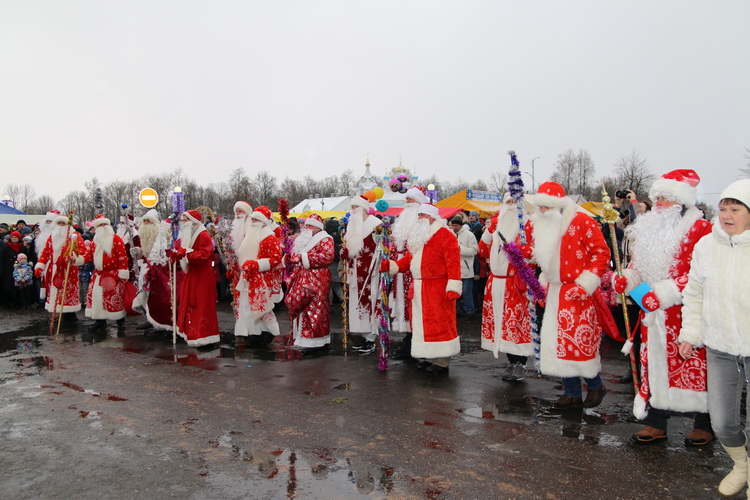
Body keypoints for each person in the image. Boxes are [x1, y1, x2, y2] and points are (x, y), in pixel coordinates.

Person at [615, 169, 714, 446]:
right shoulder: (650, 229)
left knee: (695, 366)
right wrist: (629, 280)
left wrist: (665, 293)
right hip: (653, 314)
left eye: (664, 199)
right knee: (654, 365)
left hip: (686, 311)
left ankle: (704, 423)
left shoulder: (702, 230)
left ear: (681, 201)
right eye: (656, 198)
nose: (657, 204)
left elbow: (702, 272)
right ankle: (655, 421)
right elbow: (638, 267)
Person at [678, 179, 750, 497]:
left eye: (735, 209)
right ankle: (741, 465)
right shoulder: (706, 246)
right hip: (720, 346)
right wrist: (690, 335)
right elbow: (694, 294)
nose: (726, 215)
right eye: (722, 208)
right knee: (721, 422)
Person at [530, 181, 610, 408]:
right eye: (540, 207)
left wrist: (585, 284)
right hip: (556, 290)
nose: (542, 211)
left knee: (577, 343)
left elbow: (601, 253)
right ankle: (571, 392)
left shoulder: (583, 221)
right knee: (559, 343)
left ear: (558, 206)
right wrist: (543, 283)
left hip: (578, 292)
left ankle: (595, 385)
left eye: (546, 207)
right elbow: (544, 259)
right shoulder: (545, 226)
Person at [380, 203, 462, 375]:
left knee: (439, 323)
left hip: (437, 287)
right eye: (418, 215)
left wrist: (453, 284)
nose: (419, 219)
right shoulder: (420, 236)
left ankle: (442, 361)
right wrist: (392, 265)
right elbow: (410, 259)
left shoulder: (445, 235)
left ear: (432, 217)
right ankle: (430, 356)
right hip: (419, 287)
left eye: (422, 215)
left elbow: (453, 262)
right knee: (423, 324)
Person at [479, 192, 533, 382]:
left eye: (514, 202)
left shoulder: (529, 225)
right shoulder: (497, 224)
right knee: (502, 323)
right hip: (497, 281)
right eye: (507, 202)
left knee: (516, 322)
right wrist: (487, 234)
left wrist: (518, 251)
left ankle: (522, 363)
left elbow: (535, 254)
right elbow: (482, 251)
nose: (510, 205)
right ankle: (511, 361)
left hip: (517, 282)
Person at [169, 209, 220, 348]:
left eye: (186, 220)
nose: (183, 223)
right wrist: (176, 255)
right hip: (192, 274)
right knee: (190, 304)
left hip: (202, 276)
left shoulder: (203, 235)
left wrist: (185, 253)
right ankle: (193, 334)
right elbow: (182, 250)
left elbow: (205, 254)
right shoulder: (188, 235)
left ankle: (205, 336)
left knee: (201, 305)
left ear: (193, 222)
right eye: (182, 220)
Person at [389, 186, 429, 359]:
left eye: (411, 200)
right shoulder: (402, 222)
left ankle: (415, 343)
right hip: (400, 271)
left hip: (414, 272)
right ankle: (409, 340)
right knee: (405, 306)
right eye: (406, 200)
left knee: (415, 307)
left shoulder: (423, 224)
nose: (407, 203)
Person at [286, 214, 335, 351]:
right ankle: (304, 338)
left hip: (318, 280)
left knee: (315, 309)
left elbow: (327, 256)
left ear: (317, 228)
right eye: (306, 225)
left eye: (310, 226)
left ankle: (315, 342)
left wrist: (303, 257)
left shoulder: (325, 239)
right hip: (304, 278)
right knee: (303, 307)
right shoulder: (305, 239)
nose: (306, 228)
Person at [234, 206, 282, 346]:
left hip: (262, 278)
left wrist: (256, 265)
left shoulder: (270, 237)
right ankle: (253, 333)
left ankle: (266, 333)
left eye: (256, 219)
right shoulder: (249, 234)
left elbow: (275, 258)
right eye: (252, 218)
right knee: (247, 306)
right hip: (247, 277)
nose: (253, 221)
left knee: (261, 306)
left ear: (263, 221)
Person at [341, 195, 383, 354]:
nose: (353, 211)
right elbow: (349, 249)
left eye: (355, 208)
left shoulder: (376, 225)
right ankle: (363, 335)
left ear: (364, 209)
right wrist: (344, 254)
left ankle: (371, 338)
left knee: (370, 302)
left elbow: (383, 249)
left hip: (371, 271)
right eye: (351, 208)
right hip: (355, 271)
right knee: (358, 304)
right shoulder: (351, 227)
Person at [34, 215, 87, 321]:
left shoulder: (74, 236)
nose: (61, 225)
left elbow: (82, 250)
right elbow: (45, 253)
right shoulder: (51, 236)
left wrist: (73, 257)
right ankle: (59, 313)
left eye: (64, 223)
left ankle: (70, 316)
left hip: (68, 269)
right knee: (55, 292)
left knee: (67, 294)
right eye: (59, 223)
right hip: (53, 269)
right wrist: (40, 265)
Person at [84, 215, 130, 331]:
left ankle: (120, 321)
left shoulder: (116, 239)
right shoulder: (95, 241)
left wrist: (122, 273)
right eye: (99, 225)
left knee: (115, 299)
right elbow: (88, 255)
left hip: (113, 274)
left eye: (104, 225)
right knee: (98, 299)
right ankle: (100, 321)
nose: (102, 227)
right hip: (98, 275)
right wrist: (76, 259)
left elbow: (122, 257)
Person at [132, 209, 173, 332]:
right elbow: (145, 253)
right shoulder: (144, 235)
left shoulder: (162, 234)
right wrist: (138, 252)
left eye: (149, 221)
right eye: (144, 221)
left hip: (160, 271)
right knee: (145, 296)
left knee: (159, 298)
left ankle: (164, 321)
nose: (146, 224)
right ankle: (149, 319)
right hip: (146, 269)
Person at [450, 215, 478, 315]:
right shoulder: (450, 234)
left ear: (461, 225)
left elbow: (474, 251)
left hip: (466, 268)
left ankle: (469, 310)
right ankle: (456, 310)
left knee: (467, 293)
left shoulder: (469, 235)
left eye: (456, 225)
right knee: (455, 291)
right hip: (453, 269)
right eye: (453, 225)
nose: (454, 227)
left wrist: (459, 249)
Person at [1, 231, 24, 307]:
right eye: (12, 237)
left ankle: (18, 302)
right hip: (8, 269)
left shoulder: (22, 247)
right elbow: (2, 259)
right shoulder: (6, 247)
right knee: (8, 287)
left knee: (19, 287)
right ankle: (8, 303)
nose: (14, 239)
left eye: (15, 237)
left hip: (20, 269)